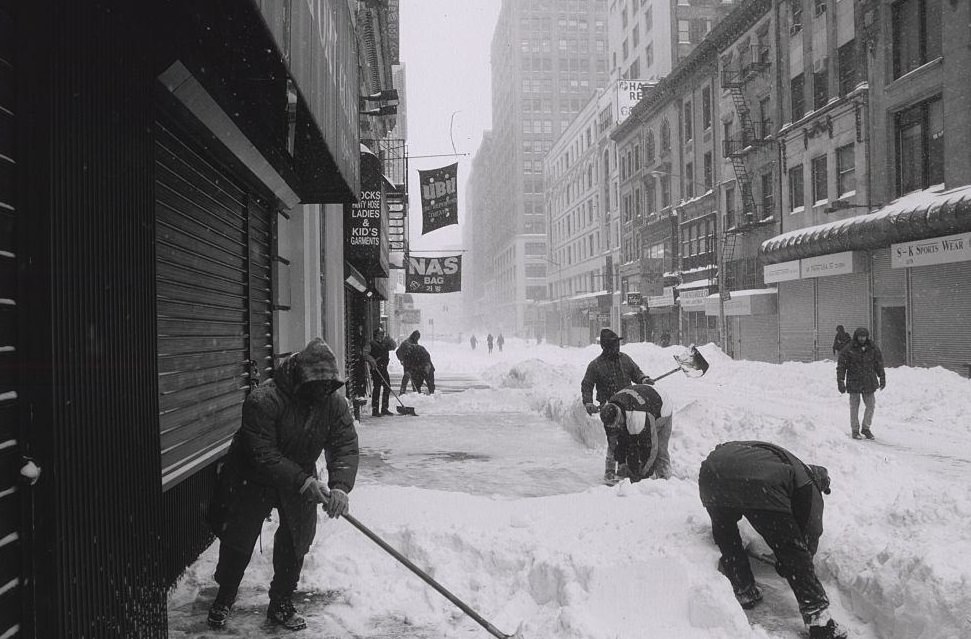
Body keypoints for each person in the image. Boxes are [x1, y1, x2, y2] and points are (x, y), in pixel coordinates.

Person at [205, 338, 359, 631]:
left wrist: (340, 485)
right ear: (302, 379)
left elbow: (345, 445)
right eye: (317, 385)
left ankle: (281, 602)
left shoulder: (333, 403)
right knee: (239, 537)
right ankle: (224, 596)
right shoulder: (264, 399)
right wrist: (304, 482)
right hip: (252, 474)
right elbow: (263, 454)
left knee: (296, 539)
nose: (323, 392)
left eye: (329, 386)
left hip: (299, 475)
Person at [698, 441, 845, 639]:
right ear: (820, 483)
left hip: (712, 474)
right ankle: (820, 621)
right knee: (793, 550)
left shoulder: (782, 462)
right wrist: (793, 560)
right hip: (757, 483)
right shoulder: (807, 482)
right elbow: (810, 532)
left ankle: (744, 589)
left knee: (727, 536)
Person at [580, 328, 653, 483]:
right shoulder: (596, 365)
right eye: (614, 345)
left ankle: (624, 467)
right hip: (609, 410)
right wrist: (588, 402)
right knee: (613, 441)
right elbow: (587, 385)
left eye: (618, 344)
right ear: (605, 347)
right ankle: (609, 471)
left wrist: (644, 379)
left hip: (628, 408)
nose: (617, 347)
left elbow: (637, 373)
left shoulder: (625, 359)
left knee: (629, 438)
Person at [598, 382, 673, 481]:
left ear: (619, 415)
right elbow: (613, 442)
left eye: (618, 423)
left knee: (659, 448)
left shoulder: (638, 416)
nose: (617, 427)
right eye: (613, 426)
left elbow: (650, 447)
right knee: (627, 440)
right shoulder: (608, 412)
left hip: (661, 406)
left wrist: (642, 475)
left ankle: (664, 476)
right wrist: (611, 468)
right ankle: (630, 469)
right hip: (641, 397)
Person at [836, 327, 886, 440]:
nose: (862, 339)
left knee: (871, 405)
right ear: (856, 336)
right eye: (860, 336)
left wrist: (882, 377)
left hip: (869, 381)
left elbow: (879, 363)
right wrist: (840, 380)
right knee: (854, 407)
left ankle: (866, 428)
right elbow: (841, 366)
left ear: (867, 337)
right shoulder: (848, 349)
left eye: (864, 336)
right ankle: (855, 430)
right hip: (854, 381)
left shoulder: (873, 348)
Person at [363, 327, 397, 417]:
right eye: (380, 334)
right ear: (376, 335)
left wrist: (390, 339)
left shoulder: (385, 343)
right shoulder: (371, 344)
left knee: (387, 387)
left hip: (384, 368)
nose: (381, 335)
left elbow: (394, 347)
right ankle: (375, 410)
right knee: (377, 388)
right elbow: (365, 354)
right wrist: (372, 360)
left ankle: (384, 408)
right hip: (376, 368)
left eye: (382, 334)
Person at [400, 330, 435, 394]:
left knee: (427, 381)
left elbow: (426, 360)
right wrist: (402, 360)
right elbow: (399, 353)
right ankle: (413, 392)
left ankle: (421, 392)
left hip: (421, 366)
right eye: (417, 337)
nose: (417, 338)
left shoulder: (419, 349)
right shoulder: (407, 344)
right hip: (415, 365)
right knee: (409, 378)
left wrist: (426, 367)